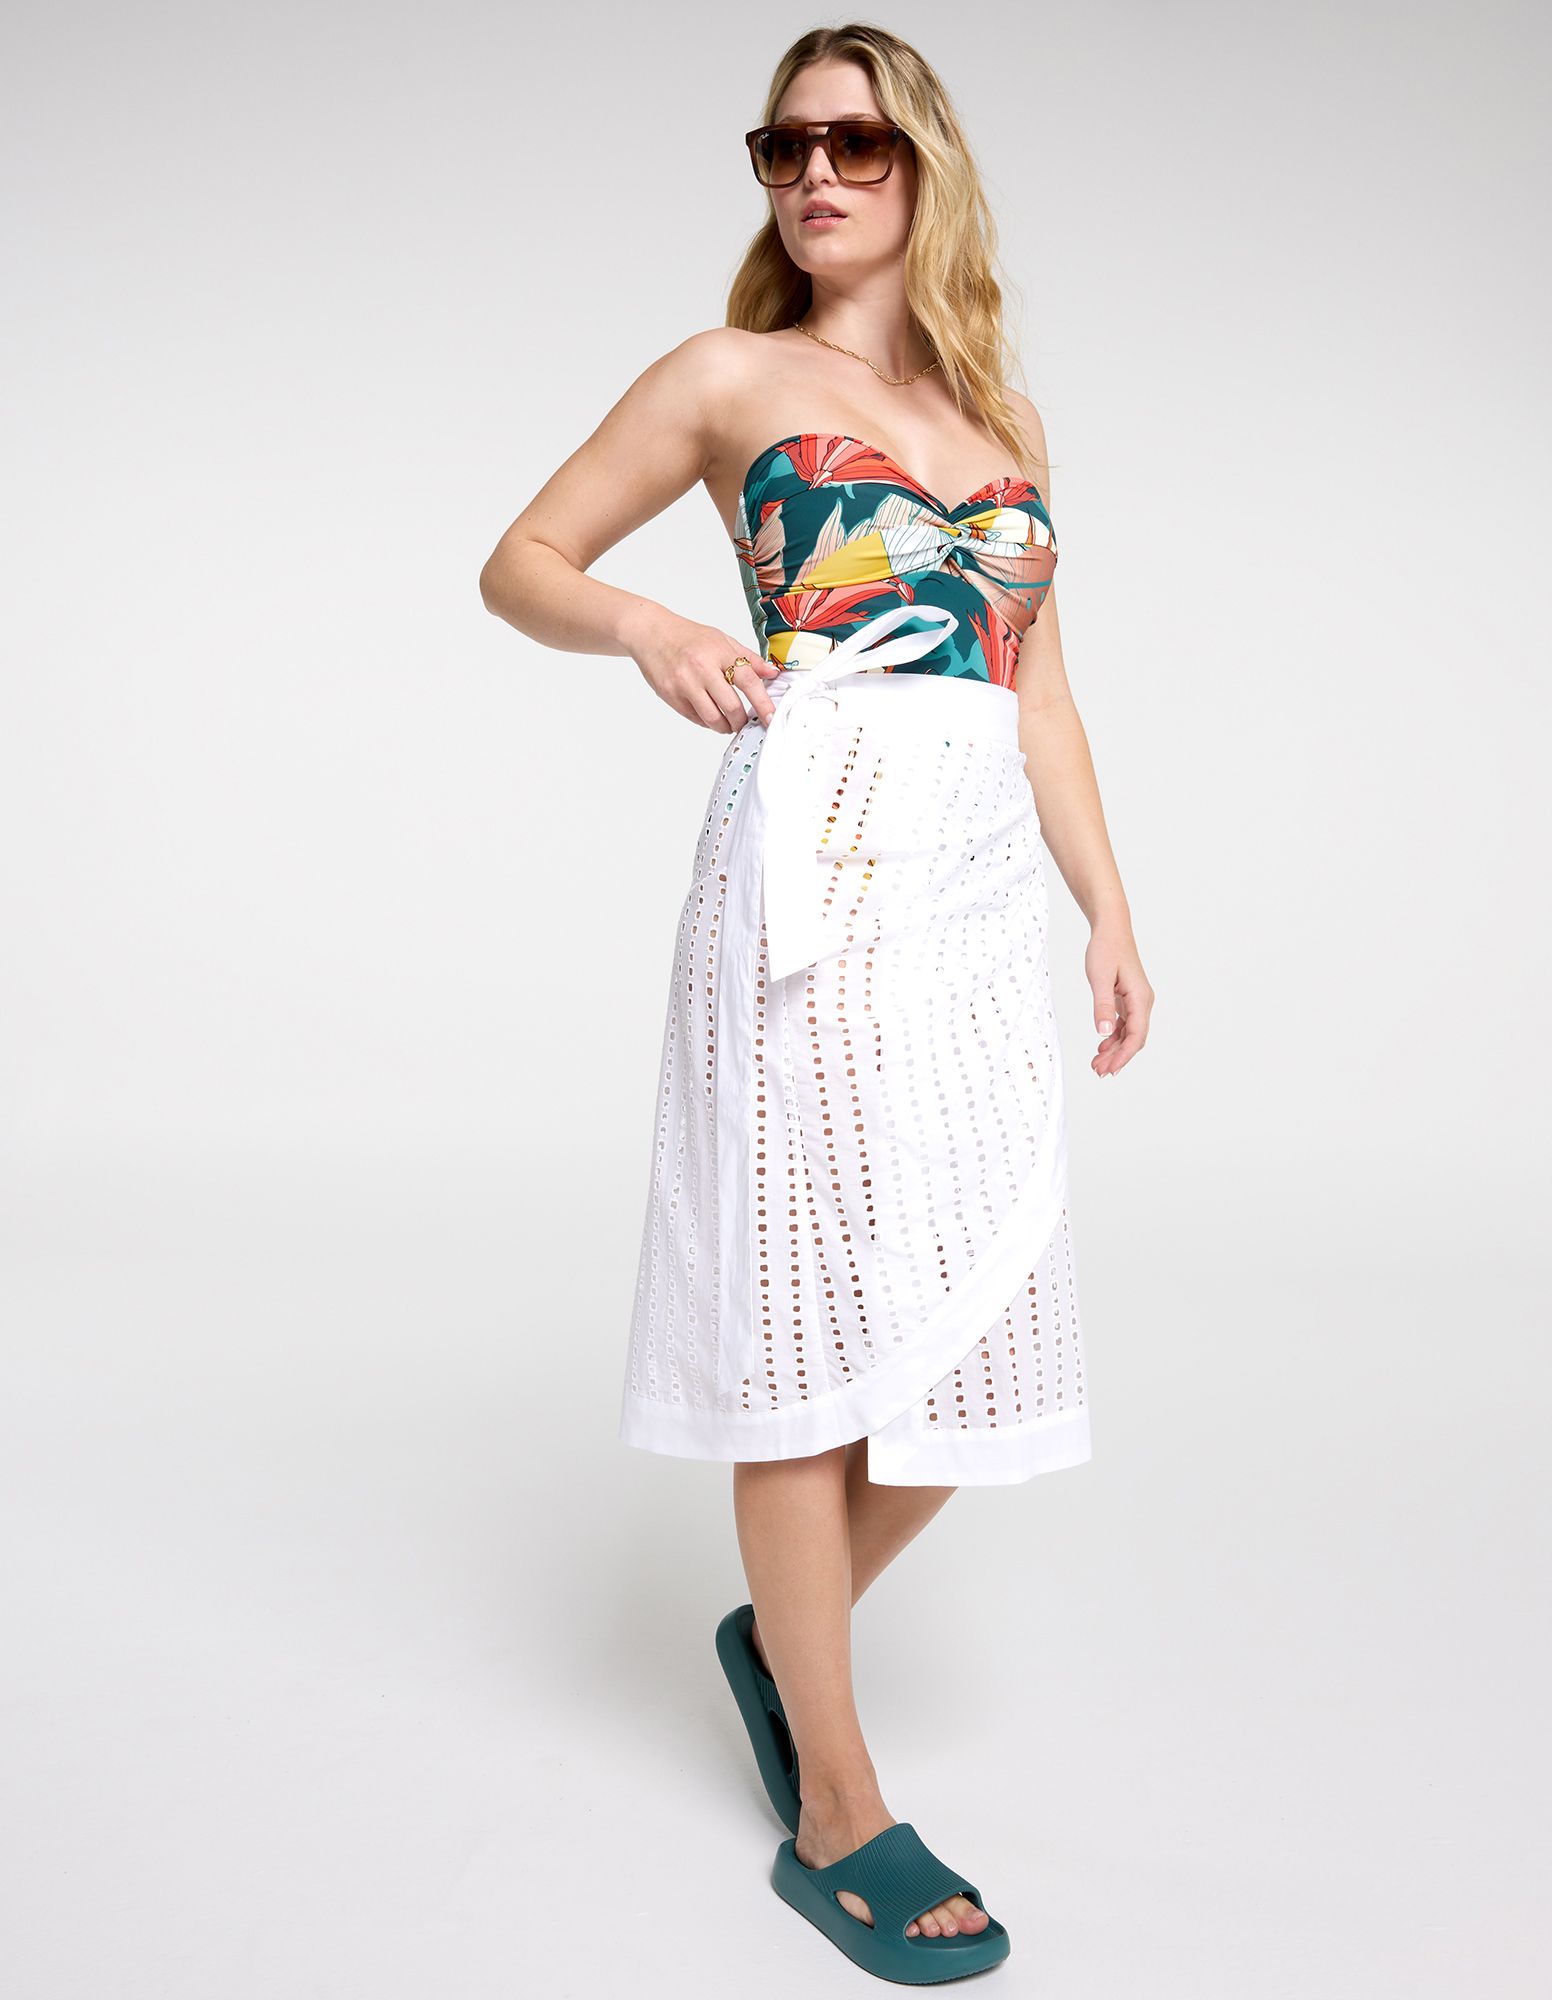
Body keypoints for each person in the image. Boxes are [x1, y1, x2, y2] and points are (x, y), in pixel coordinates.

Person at [478, 22, 1151, 1981]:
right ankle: (838, 1807)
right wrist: (650, 626)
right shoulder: (724, 375)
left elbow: (1036, 686)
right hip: (813, 867)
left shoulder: (1005, 415)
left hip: (972, 893)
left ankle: (786, 1635)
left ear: (926, 165)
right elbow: (519, 561)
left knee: (974, 1325)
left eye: (858, 143)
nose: (819, 176)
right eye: (786, 146)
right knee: (803, 1318)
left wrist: (1108, 907)